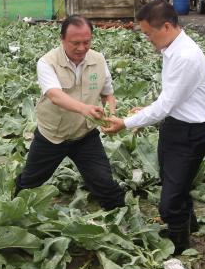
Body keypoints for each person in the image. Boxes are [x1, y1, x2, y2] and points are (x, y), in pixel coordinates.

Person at [103, 0, 205, 254]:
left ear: (165, 26)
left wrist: (126, 123)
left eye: (148, 34)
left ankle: (179, 248)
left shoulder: (185, 56)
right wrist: (145, 111)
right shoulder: (172, 50)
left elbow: (165, 104)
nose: (147, 39)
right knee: (175, 184)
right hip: (175, 126)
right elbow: (172, 99)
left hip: (190, 133)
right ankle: (187, 227)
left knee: (170, 201)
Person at [14, 15, 125, 209]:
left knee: (105, 184)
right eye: (75, 43)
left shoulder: (98, 60)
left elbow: (108, 94)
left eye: (86, 42)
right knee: (29, 183)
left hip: (85, 135)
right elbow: (55, 95)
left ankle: (124, 223)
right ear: (62, 39)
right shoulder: (47, 62)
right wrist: (85, 109)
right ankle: (12, 214)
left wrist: (111, 113)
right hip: (52, 136)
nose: (82, 48)